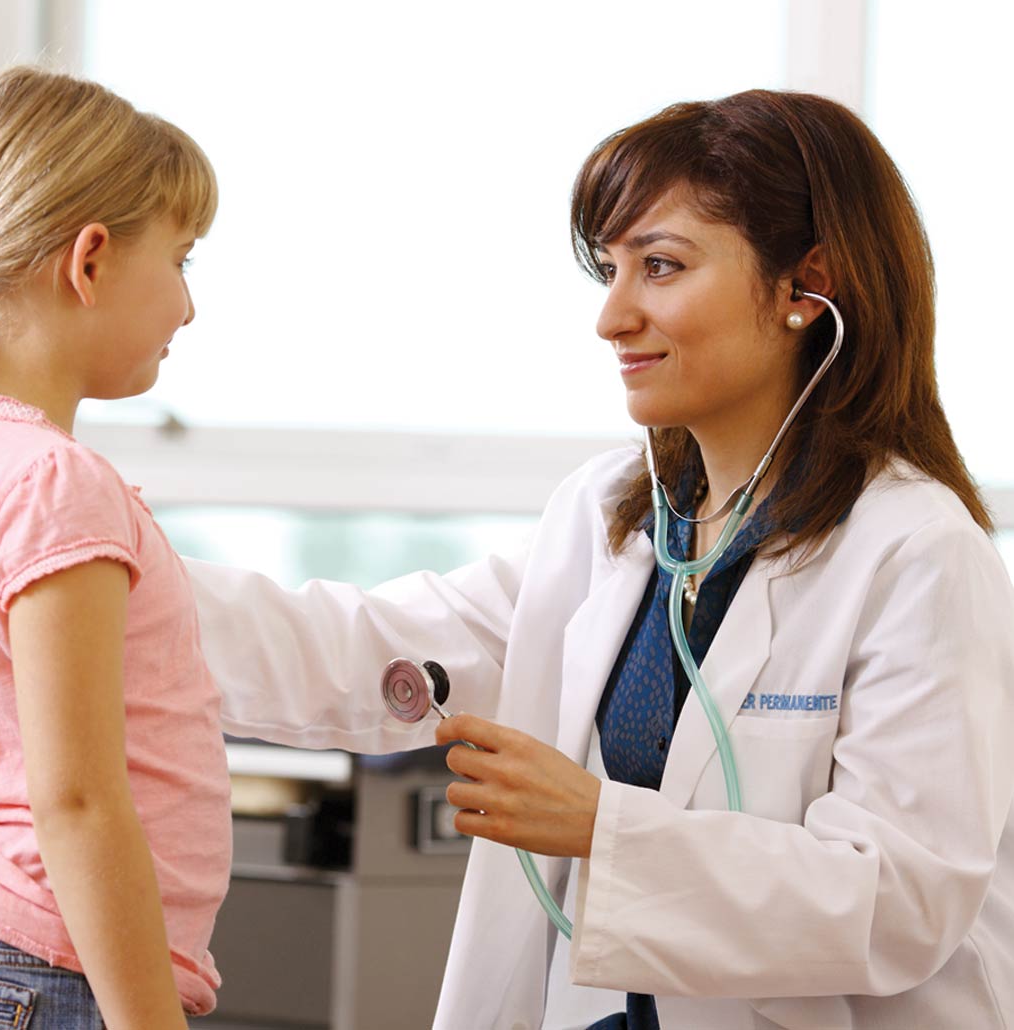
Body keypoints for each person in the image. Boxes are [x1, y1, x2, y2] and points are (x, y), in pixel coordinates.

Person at [185, 88, 1014, 1028]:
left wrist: (601, 830)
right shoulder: (612, 519)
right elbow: (380, 646)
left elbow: (901, 902)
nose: (612, 317)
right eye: (611, 271)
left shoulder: (915, 552)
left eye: (660, 267)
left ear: (803, 284)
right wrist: (125, 577)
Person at [0, 66, 228, 1028]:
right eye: (183, 261)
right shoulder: (54, 483)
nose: (188, 308)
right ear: (91, 260)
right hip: (42, 967)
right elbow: (77, 801)